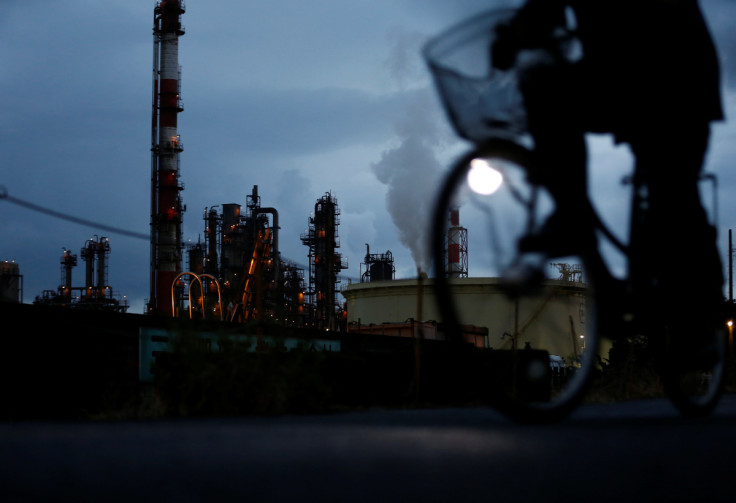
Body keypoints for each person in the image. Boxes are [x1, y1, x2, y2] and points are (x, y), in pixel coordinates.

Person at [492, 0, 724, 336]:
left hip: (678, 78)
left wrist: (517, 34)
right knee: (546, 90)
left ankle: (704, 312)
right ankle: (581, 234)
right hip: (624, 75)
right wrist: (518, 32)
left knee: (671, 189)